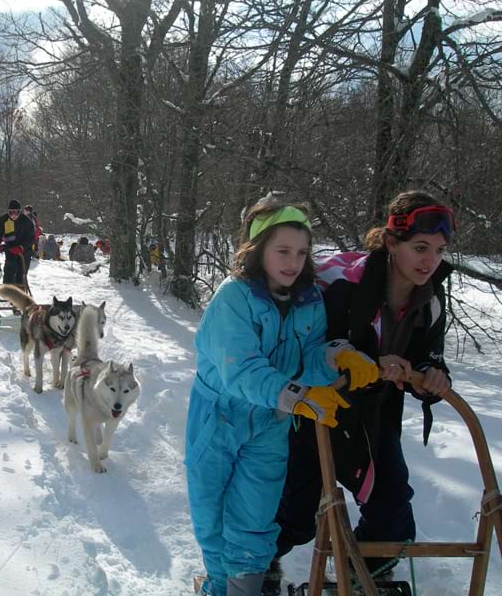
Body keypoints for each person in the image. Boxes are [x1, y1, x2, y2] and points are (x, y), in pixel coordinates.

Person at [185, 198, 379, 596]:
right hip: (218, 421)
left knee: (255, 519)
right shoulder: (233, 298)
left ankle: (242, 590)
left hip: (270, 427)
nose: (293, 261)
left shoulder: (308, 299)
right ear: (258, 250)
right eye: (283, 251)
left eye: (303, 251)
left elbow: (306, 357)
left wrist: (337, 355)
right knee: (214, 519)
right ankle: (218, 587)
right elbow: (241, 370)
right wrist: (299, 397)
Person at [274, 191, 454, 580]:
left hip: (373, 416)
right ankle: (252, 568)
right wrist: (368, 360)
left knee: (392, 508)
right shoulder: (341, 280)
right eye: (420, 247)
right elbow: (303, 344)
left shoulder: (431, 300)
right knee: (294, 513)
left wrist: (430, 374)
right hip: (316, 409)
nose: (430, 261)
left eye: (439, 250)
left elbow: (427, 355)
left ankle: (365, 575)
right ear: (391, 243)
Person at [0, 199, 35, 287]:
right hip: (10, 249)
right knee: (9, 272)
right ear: (8, 212)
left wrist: (22, 247)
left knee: (20, 275)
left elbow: (31, 238)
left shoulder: (26, 221)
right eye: (11, 212)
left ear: (20, 211)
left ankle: (19, 295)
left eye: (16, 212)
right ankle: (7, 293)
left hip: (24, 252)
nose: (14, 215)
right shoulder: (3, 220)